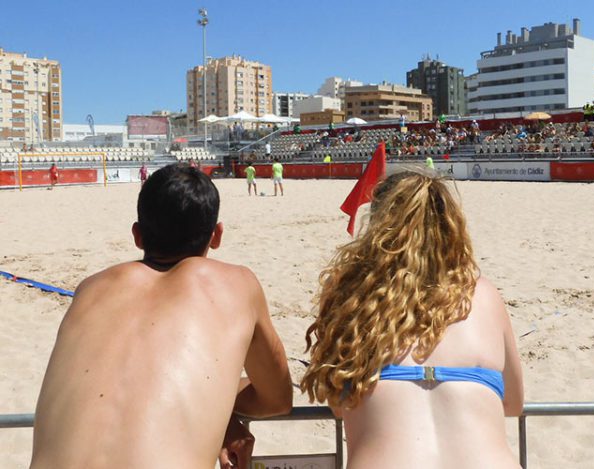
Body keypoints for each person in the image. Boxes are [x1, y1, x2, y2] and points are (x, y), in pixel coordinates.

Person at [31, 164, 293, 469]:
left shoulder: (90, 288)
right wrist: (215, 408)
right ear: (217, 235)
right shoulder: (238, 284)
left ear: (137, 235)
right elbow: (277, 397)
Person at [300, 171, 524, 468]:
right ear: (449, 227)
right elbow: (514, 403)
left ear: (378, 225)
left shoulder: (351, 295)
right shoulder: (483, 295)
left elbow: (340, 406)